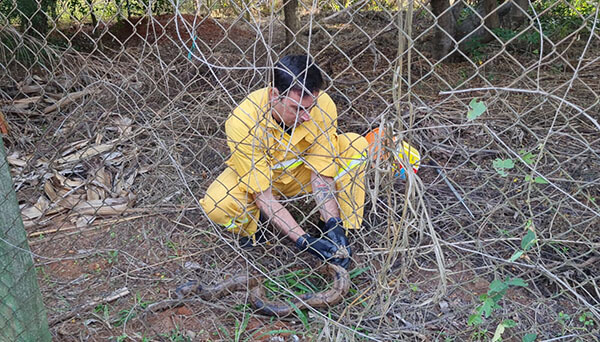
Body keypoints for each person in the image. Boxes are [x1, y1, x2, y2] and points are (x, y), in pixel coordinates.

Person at [200, 55, 368, 269]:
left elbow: (322, 172)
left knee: (355, 146)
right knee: (219, 203)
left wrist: (333, 223)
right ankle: (255, 225)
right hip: (261, 184)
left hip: (302, 174)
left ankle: (334, 229)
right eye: (298, 109)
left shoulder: (324, 105)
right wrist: (303, 240)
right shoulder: (243, 120)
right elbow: (263, 194)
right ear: (274, 95)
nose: (307, 116)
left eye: (311, 107)